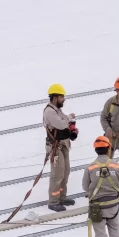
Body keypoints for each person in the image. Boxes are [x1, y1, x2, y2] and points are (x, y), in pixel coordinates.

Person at [82, 136, 119, 237]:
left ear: (96, 150)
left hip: (97, 207)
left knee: (100, 233)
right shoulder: (116, 165)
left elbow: (85, 187)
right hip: (113, 205)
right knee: (115, 229)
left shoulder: (90, 168)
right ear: (108, 149)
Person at [42, 83, 78, 212]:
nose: (63, 100)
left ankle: (62, 197)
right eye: (61, 97)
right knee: (57, 174)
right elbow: (62, 124)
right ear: (55, 97)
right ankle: (53, 201)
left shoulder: (57, 110)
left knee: (65, 172)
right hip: (55, 147)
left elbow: (65, 123)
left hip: (63, 144)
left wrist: (72, 131)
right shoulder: (49, 111)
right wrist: (69, 118)